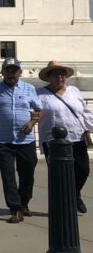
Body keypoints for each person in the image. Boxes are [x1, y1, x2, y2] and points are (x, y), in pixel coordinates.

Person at [0, 57, 42, 223]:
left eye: (14, 71)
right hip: (2, 140)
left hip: (25, 139)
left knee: (28, 173)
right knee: (8, 175)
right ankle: (15, 208)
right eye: (8, 70)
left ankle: (24, 203)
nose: (11, 74)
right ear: (2, 72)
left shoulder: (29, 89)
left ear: (20, 72)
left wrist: (32, 123)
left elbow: (39, 111)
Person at [36, 60, 91, 214]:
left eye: (62, 74)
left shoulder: (73, 91)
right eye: (55, 75)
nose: (59, 77)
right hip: (53, 141)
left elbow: (84, 111)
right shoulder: (39, 94)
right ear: (49, 77)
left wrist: (89, 127)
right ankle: (64, 206)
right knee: (59, 175)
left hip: (76, 137)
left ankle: (74, 195)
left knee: (82, 170)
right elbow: (32, 113)